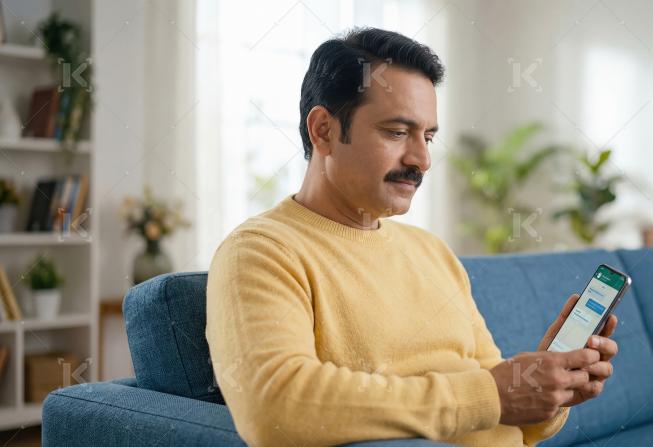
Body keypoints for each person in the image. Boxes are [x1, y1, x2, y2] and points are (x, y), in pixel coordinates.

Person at [206, 27, 618, 447]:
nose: (422, 159)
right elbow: (276, 407)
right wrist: (492, 393)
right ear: (324, 130)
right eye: (397, 132)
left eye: (429, 136)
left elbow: (505, 413)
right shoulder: (260, 252)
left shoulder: (431, 251)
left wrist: (548, 392)